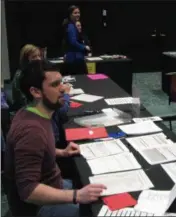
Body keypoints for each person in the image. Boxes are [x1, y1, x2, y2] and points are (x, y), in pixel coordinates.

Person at [4, 60, 107, 217]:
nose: (63, 89)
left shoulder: (30, 112)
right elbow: (28, 191)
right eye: (55, 85)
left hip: (53, 182)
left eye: (62, 82)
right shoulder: (31, 131)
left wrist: (61, 152)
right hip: (37, 208)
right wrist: (76, 196)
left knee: (100, 189)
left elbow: (37, 151)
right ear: (36, 92)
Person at [11, 44, 71, 147]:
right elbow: (62, 110)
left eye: (39, 56)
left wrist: (62, 153)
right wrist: (66, 96)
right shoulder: (32, 130)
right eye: (34, 57)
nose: (38, 59)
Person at [62, 5, 90, 75]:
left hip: (74, 58)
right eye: (75, 13)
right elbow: (73, 42)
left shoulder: (72, 25)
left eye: (78, 12)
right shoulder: (71, 26)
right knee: (81, 79)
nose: (78, 14)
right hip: (75, 59)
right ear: (70, 14)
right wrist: (84, 47)